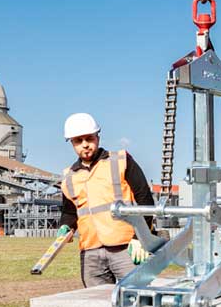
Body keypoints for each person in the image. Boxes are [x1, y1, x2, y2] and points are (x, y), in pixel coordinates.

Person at [57, 112, 158, 286]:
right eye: (78, 141)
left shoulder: (121, 160)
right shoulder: (68, 177)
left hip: (127, 248)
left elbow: (145, 199)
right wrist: (65, 226)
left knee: (136, 301)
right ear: (72, 143)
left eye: (89, 138)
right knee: (97, 306)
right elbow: (70, 211)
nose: (85, 145)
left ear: (98, 137)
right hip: (91, 253)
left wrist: (140, 237)